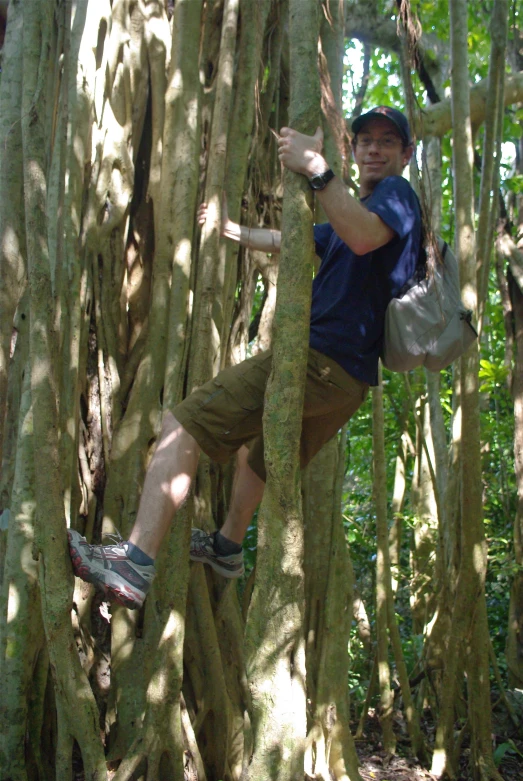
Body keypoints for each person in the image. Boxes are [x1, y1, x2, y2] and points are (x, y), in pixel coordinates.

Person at [68, 106, 420, 610]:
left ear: (407, 154)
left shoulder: (394, 197)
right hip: (348, 383)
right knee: (258, 456)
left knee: (183, 424)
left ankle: (133, 563)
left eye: (388, 142)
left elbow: (363, 236)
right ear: (355, 147)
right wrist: (232, 230)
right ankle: (227, 548)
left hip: (320, 360)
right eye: (365, 140)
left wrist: (317, 169)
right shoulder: (354, 213)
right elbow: (296, 240)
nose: (374, 149)